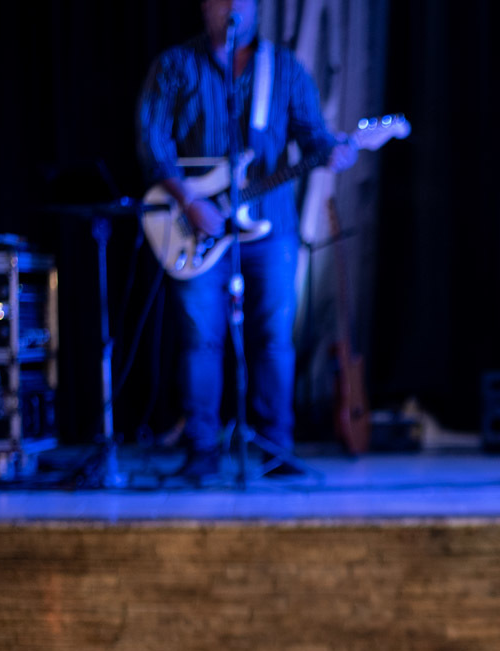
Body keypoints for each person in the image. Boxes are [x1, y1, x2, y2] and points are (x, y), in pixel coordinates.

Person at [137, 0, 356, 480]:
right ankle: (202, 451)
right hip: (194, 223)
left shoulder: (283, 69)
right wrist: (190, 201)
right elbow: (153, 142)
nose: (233, 6)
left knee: (275, 339)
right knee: (201, 340)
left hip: (269, 227)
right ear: (204, 6)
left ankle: (276, 448)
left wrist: (333, 152)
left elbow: (313, 136)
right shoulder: (176, 65)